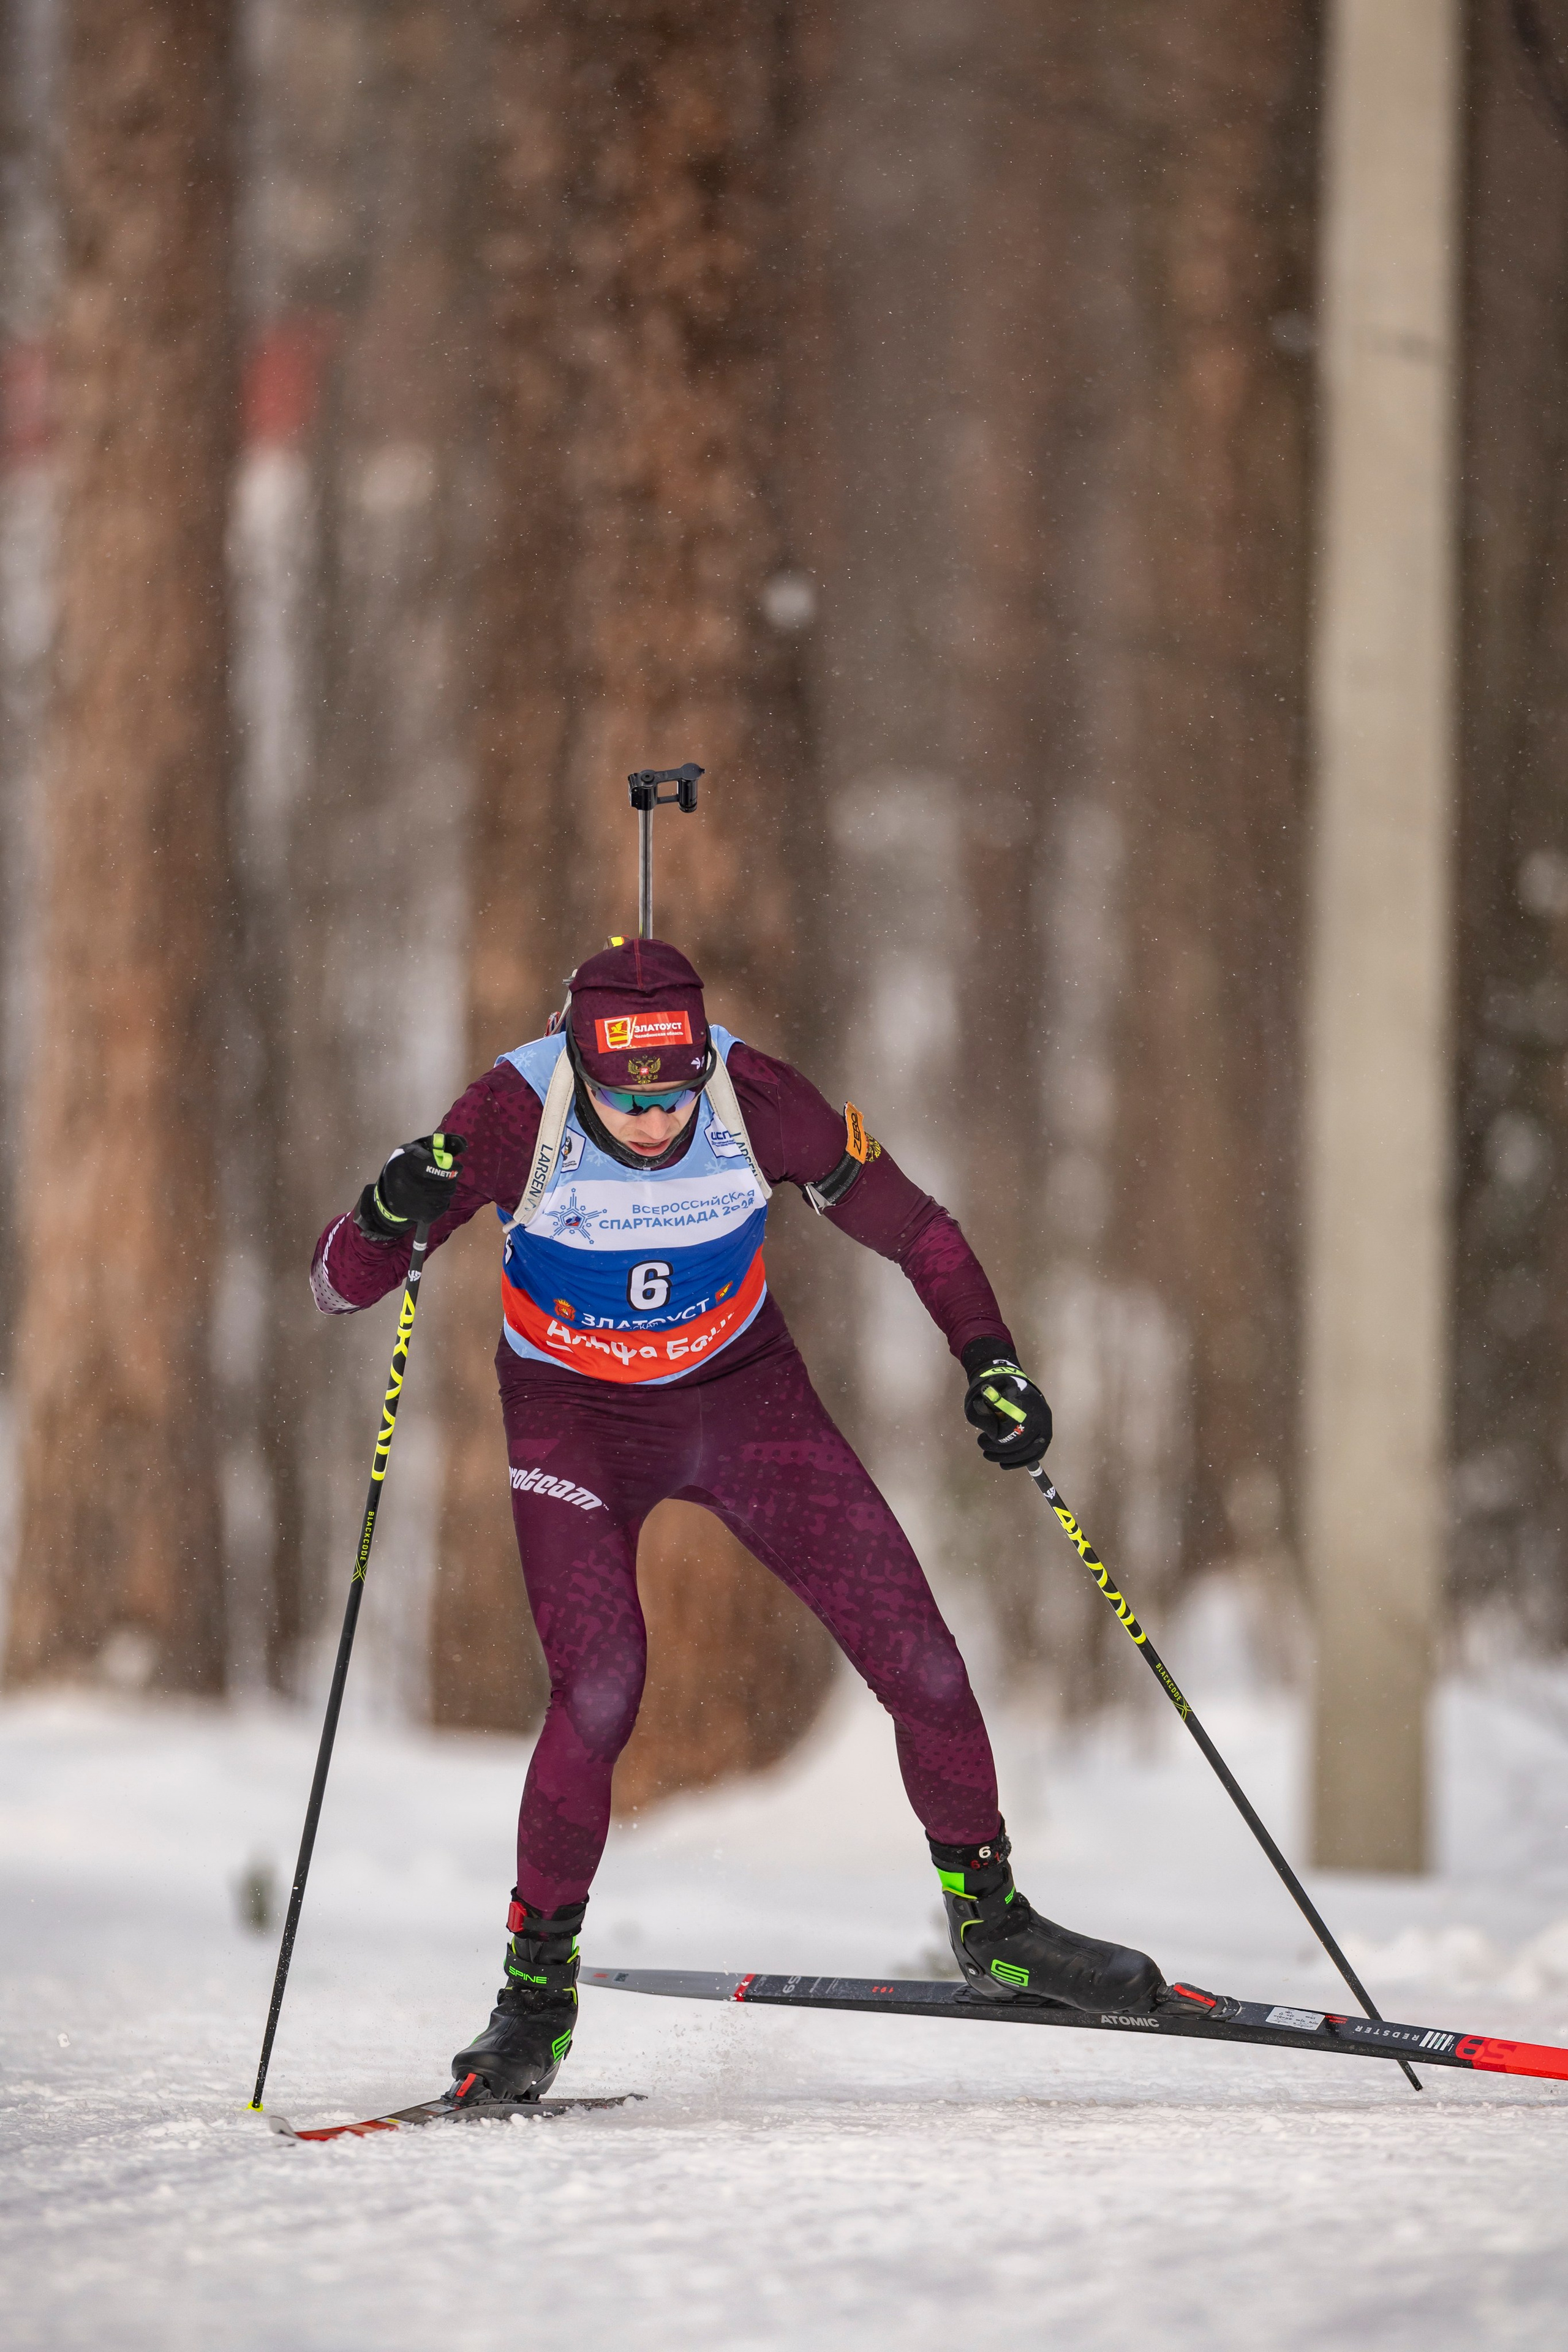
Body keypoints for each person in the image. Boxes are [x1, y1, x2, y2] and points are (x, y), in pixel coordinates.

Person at [311, 937, 1177, 2100]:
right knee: (604, 1687)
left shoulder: (759, 1096)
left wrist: (993, 1363)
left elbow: (918, 1229)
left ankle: (996, 1928)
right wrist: (383, 1209)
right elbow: (338, 1284)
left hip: (742, 1397)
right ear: (583, 1064)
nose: (659, 1121)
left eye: (675, 1094)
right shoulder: (514, 1114)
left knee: (920, 1656)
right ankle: (533, 1995)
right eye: (630, 1100)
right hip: (577, 1417)